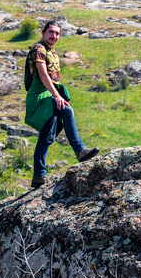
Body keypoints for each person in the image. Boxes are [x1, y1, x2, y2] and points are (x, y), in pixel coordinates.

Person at [24, 21, 98, 189]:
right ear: (43, 33)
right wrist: (57, 96)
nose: (54, 36)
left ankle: (38, 176)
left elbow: (54, 78)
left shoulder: (53, 52)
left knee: (47, 137)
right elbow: (43, 76)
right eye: (51, 32)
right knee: (67, 111)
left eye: (57, 33)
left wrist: (58, 93)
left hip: (49, 93)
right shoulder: (38, 49)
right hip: (39, 95)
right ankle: (80, 150)